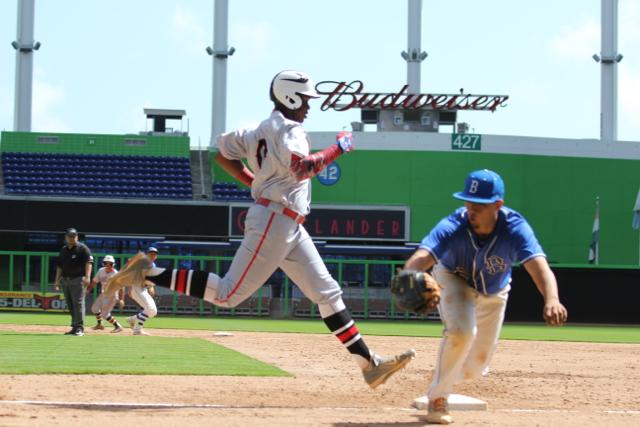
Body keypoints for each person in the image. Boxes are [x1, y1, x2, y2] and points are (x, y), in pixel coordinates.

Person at [98, 70, 415, 389]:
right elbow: (303, 168)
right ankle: (150, 272)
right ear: (290, 96)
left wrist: (254, 181)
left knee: (327, 293)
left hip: (288, 223)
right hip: (275, 221)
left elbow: (222, 156)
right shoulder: (290, 128)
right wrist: (339, 148)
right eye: (305, 99)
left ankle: (369, 364)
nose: (309, 105)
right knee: (227, 294)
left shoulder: (258, 130)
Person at [402, 169, 568, 424]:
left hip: (494, 290)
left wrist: (552, 299)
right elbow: (424, 255)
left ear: (497, 205)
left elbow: (539, 267)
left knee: (474, 368)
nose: (471, 210)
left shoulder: (515, 228)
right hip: (453, 277)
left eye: (479, 205)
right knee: (461, 334)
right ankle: (438, 399)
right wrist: (407, 275)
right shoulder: (454, 224)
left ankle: (449, 372)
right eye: (469, 202)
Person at [53, 228, 93, 336]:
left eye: (74, 236)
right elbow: (60, 267)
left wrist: (87, 277)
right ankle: (74, 327)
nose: (72, 238)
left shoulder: (82, 248)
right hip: (65, 280)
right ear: (66, 237)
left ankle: (80, 328)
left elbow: (89, 262)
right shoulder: (64, 250)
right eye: (70, 236)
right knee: (70, 304)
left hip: (78, 279)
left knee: (78, 304)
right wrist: (56, 281)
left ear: (77, 237)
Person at [125, 247, 159, 336]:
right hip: (136, 288)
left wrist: (151, 287)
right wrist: (129, 288)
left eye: (155, 254)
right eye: (151, 253)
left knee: (153, 311)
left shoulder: (153, 266)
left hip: (143, 289)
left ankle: (132, 319)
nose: (153, 255)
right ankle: (137, 330)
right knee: (149, 309)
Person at [88, 255, 124, 333]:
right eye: (105, 263)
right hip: (104, 294)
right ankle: (100, 325)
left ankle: (118, 326)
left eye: (110, 264)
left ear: (113, 265)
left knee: (105, 313)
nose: (107, 265)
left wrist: (121, 299)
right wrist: (88, 290)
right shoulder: (101, 271)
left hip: (112, 295)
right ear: (103, 264)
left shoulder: (116, 274)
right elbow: (94, 282)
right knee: (94, 309)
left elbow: (121, 287)